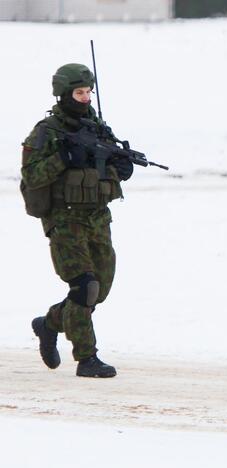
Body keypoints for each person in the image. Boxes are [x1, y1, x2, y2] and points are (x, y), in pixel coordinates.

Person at [23, 63, 134, 378]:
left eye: (88, 92)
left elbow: (107, 165)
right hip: (64, 219)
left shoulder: (97, 128)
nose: (85, 98)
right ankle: (87, 359)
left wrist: (120, 167)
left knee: (99, 290)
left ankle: (49, 324)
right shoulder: (48, 132)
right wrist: (63, 158)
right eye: (79, 92)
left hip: (98, 218)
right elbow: (31, 175)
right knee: (84, 287)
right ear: (64, 94)